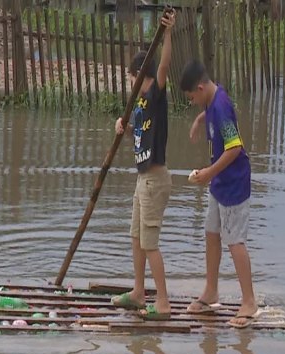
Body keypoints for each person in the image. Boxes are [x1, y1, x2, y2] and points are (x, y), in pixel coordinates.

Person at [180, 60, 258, 328]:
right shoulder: (213, 100)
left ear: (200, 88)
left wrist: (209, 172)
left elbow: (234, 147)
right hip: (219, 183)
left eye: (192, 97)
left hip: (233, 183)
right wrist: (200, 119)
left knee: (234, 241)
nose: (192, 102)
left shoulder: (221, 107)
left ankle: (249, 301)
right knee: (212, 233)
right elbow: (210, 110)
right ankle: (211, 291)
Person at [110, 9, 176, 320]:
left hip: (156, 179)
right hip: (142, 180)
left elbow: (163, 64)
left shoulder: (157, 95)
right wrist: (122, 127)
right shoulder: (139, 104)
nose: (131, 83)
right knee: (136, 237)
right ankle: (138, 292)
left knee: (150, 243)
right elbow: (138, 136)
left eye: (133, 78)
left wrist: (167, 32)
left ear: (142, 76)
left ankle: (162, 303)